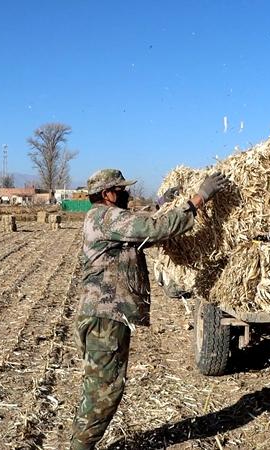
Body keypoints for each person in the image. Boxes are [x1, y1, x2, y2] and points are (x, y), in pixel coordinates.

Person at [70, 168, 227, 449]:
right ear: (108, 194)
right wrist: (199, 199)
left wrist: (161, 205)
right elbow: (155, 228)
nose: (126, 194)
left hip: (105, 316)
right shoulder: (105, 216)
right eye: (121, 190)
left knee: (99, 390)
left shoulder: (106, 218)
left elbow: (140, 227)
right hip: (105, 317)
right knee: (103, 393)